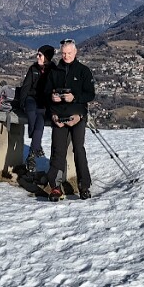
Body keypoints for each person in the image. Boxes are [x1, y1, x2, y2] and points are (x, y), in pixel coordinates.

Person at [44, 38, 96, 199]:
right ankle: (55, 187)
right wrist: (53, 104)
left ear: (75, 52)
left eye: (69, 53)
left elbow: (90, 94)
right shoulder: (54, 72)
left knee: (78, 149)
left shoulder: (83, 71)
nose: (66, 56)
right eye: (64, 53)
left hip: (77, 116)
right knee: (58, 150)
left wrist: (74, 98)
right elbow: (45, 94)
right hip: (58, 116)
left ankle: (84, 186)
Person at [16, 45, 54, 172]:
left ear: (47, 57)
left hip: (44, 102)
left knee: (40, 121)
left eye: (40, 55)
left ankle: (31, 154)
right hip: (31, 99)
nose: (37, 57)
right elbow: (26, 87)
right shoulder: (33, 69)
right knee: (32, 113)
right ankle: (36, 146)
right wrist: (22, 103)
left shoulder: (53, 70)